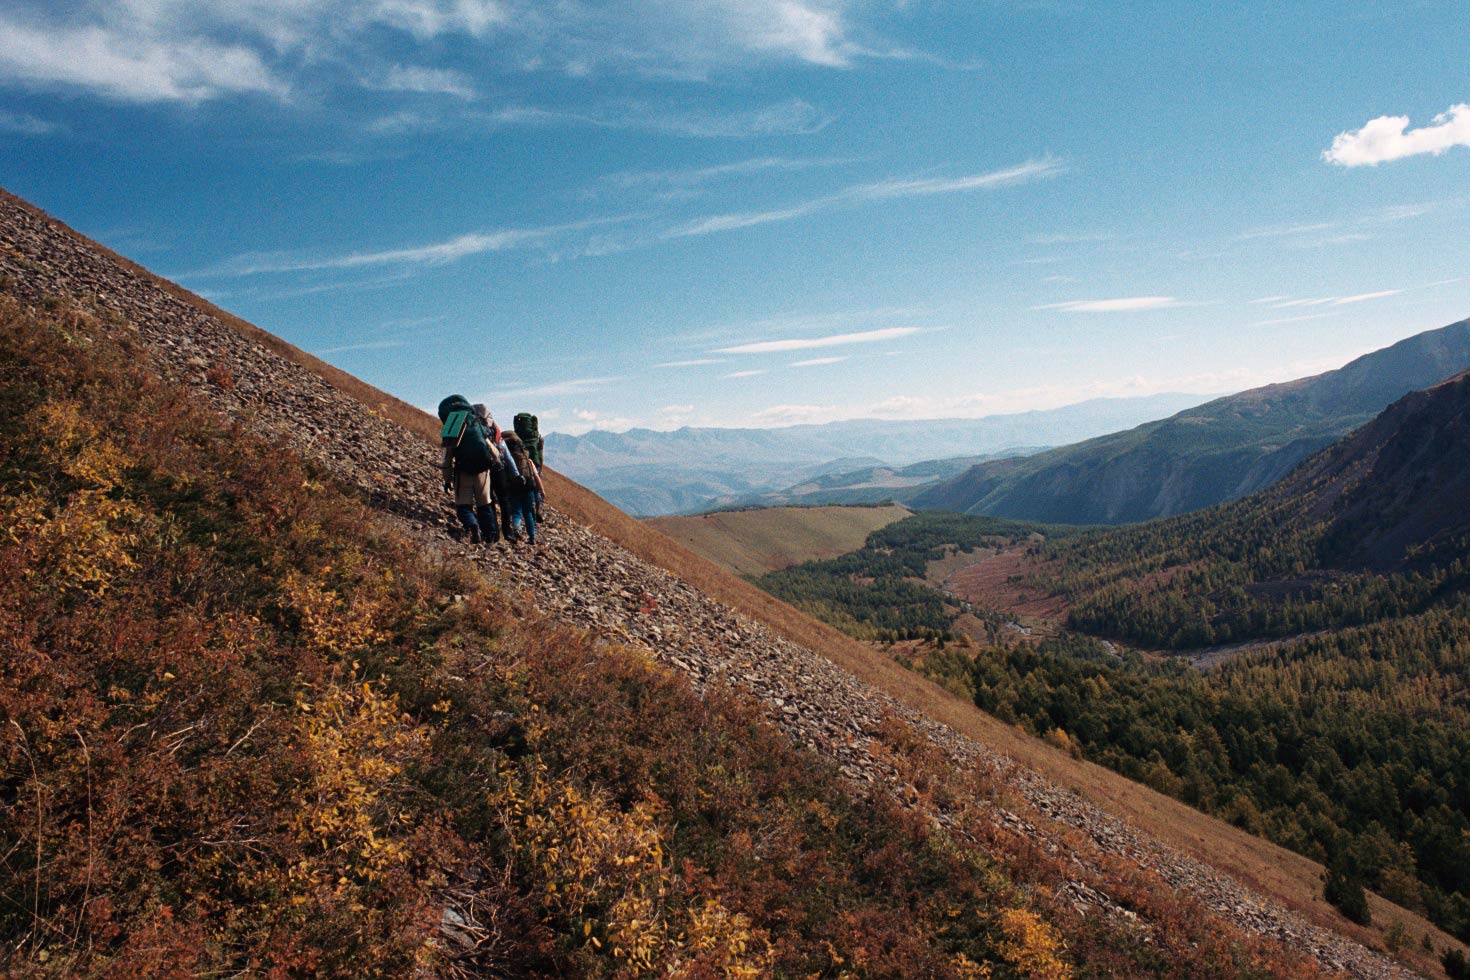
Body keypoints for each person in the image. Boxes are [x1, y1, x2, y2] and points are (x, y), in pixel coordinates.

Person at [442, 404, 501, 545]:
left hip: (463, 473)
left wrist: (447, 480)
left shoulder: (453, 428)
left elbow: (447, 459)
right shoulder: (477, 425)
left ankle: (473, 527)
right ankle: (490, 537)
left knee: (463, 506)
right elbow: (494, 451)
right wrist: (494, 462)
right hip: (483, 472)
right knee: (484, 505)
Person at [501, 428, 545, 546]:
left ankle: (516, 529)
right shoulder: (527, 459)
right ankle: (531, 537)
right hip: (528, 487)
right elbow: (536, 475)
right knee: (528, 513)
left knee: (516, 511)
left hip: (513, 487)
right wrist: (542, 490)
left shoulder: (505, 458)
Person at [486, 417, 520, 542]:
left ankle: (493, 532)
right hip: (499, 470)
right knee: (504, 502)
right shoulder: (495, 430)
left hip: (483, 472)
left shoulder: (475, 430)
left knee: (489, 501)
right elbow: (507, 456)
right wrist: (516, 474)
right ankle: (507, 531)